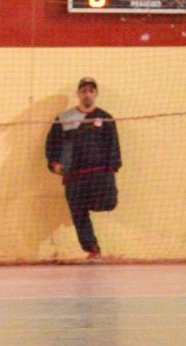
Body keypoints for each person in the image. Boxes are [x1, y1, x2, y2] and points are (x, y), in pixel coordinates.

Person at [45, 77, 121, 262]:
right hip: (75, 177)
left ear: (96, 94)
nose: (87, 94)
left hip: (99, 175)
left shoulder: (105, 117)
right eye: (84, 91)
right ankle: (93, 250)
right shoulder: (64, 119)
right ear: (78, 94)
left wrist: (112, 168)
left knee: (109, 203)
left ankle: (88, 202)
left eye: (91, 91)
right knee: (78, 213)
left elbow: (114, 145)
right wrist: (54, 164)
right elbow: (52, 144)